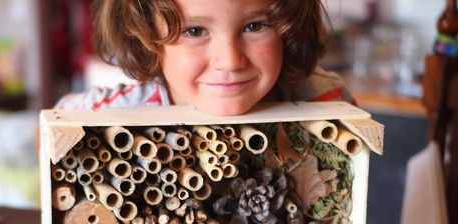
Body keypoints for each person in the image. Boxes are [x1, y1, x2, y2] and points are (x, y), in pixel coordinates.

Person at [56, 0, 354, 114]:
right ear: (146, 36)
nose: (230, 60)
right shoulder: (116, 111)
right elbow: (52, 126)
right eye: (195, 31)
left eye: (255, 26)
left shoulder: (327, 99)